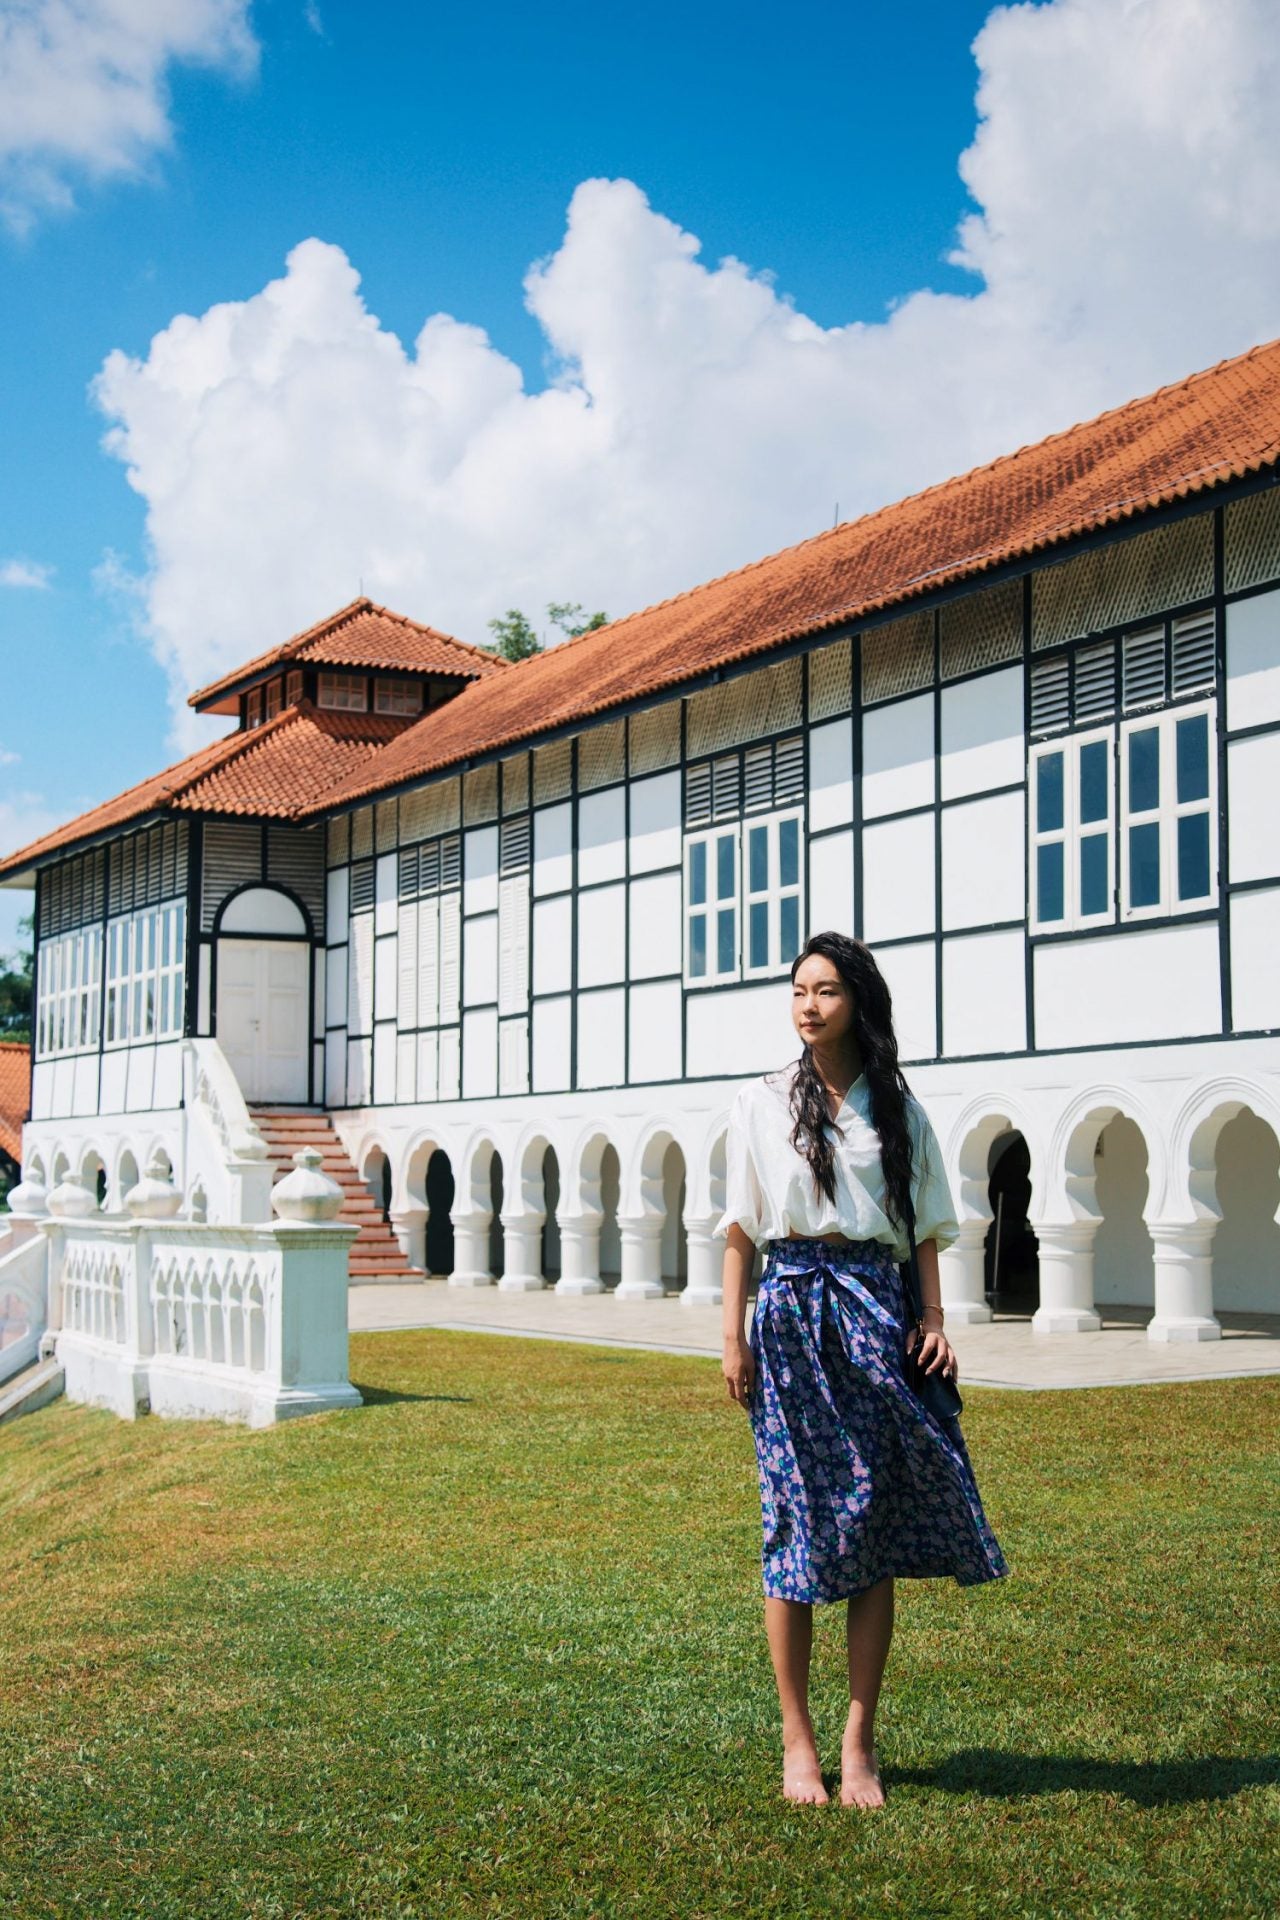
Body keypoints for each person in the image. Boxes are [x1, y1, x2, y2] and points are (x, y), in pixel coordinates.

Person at [718, 931, 1009, 1810]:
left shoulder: (898, 1109)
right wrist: (731, 1336)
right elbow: (739, 1227)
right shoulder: (763, 1104)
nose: (809, 1004)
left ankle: (858, 1742)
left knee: (870, 1524)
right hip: (792, 1308)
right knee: (797, 1521)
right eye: (799, 989)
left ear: (859, 1000)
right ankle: (796, 1740)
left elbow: (924, 1226)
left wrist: (932, 1316)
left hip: (876, 1309)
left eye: (827, 990)